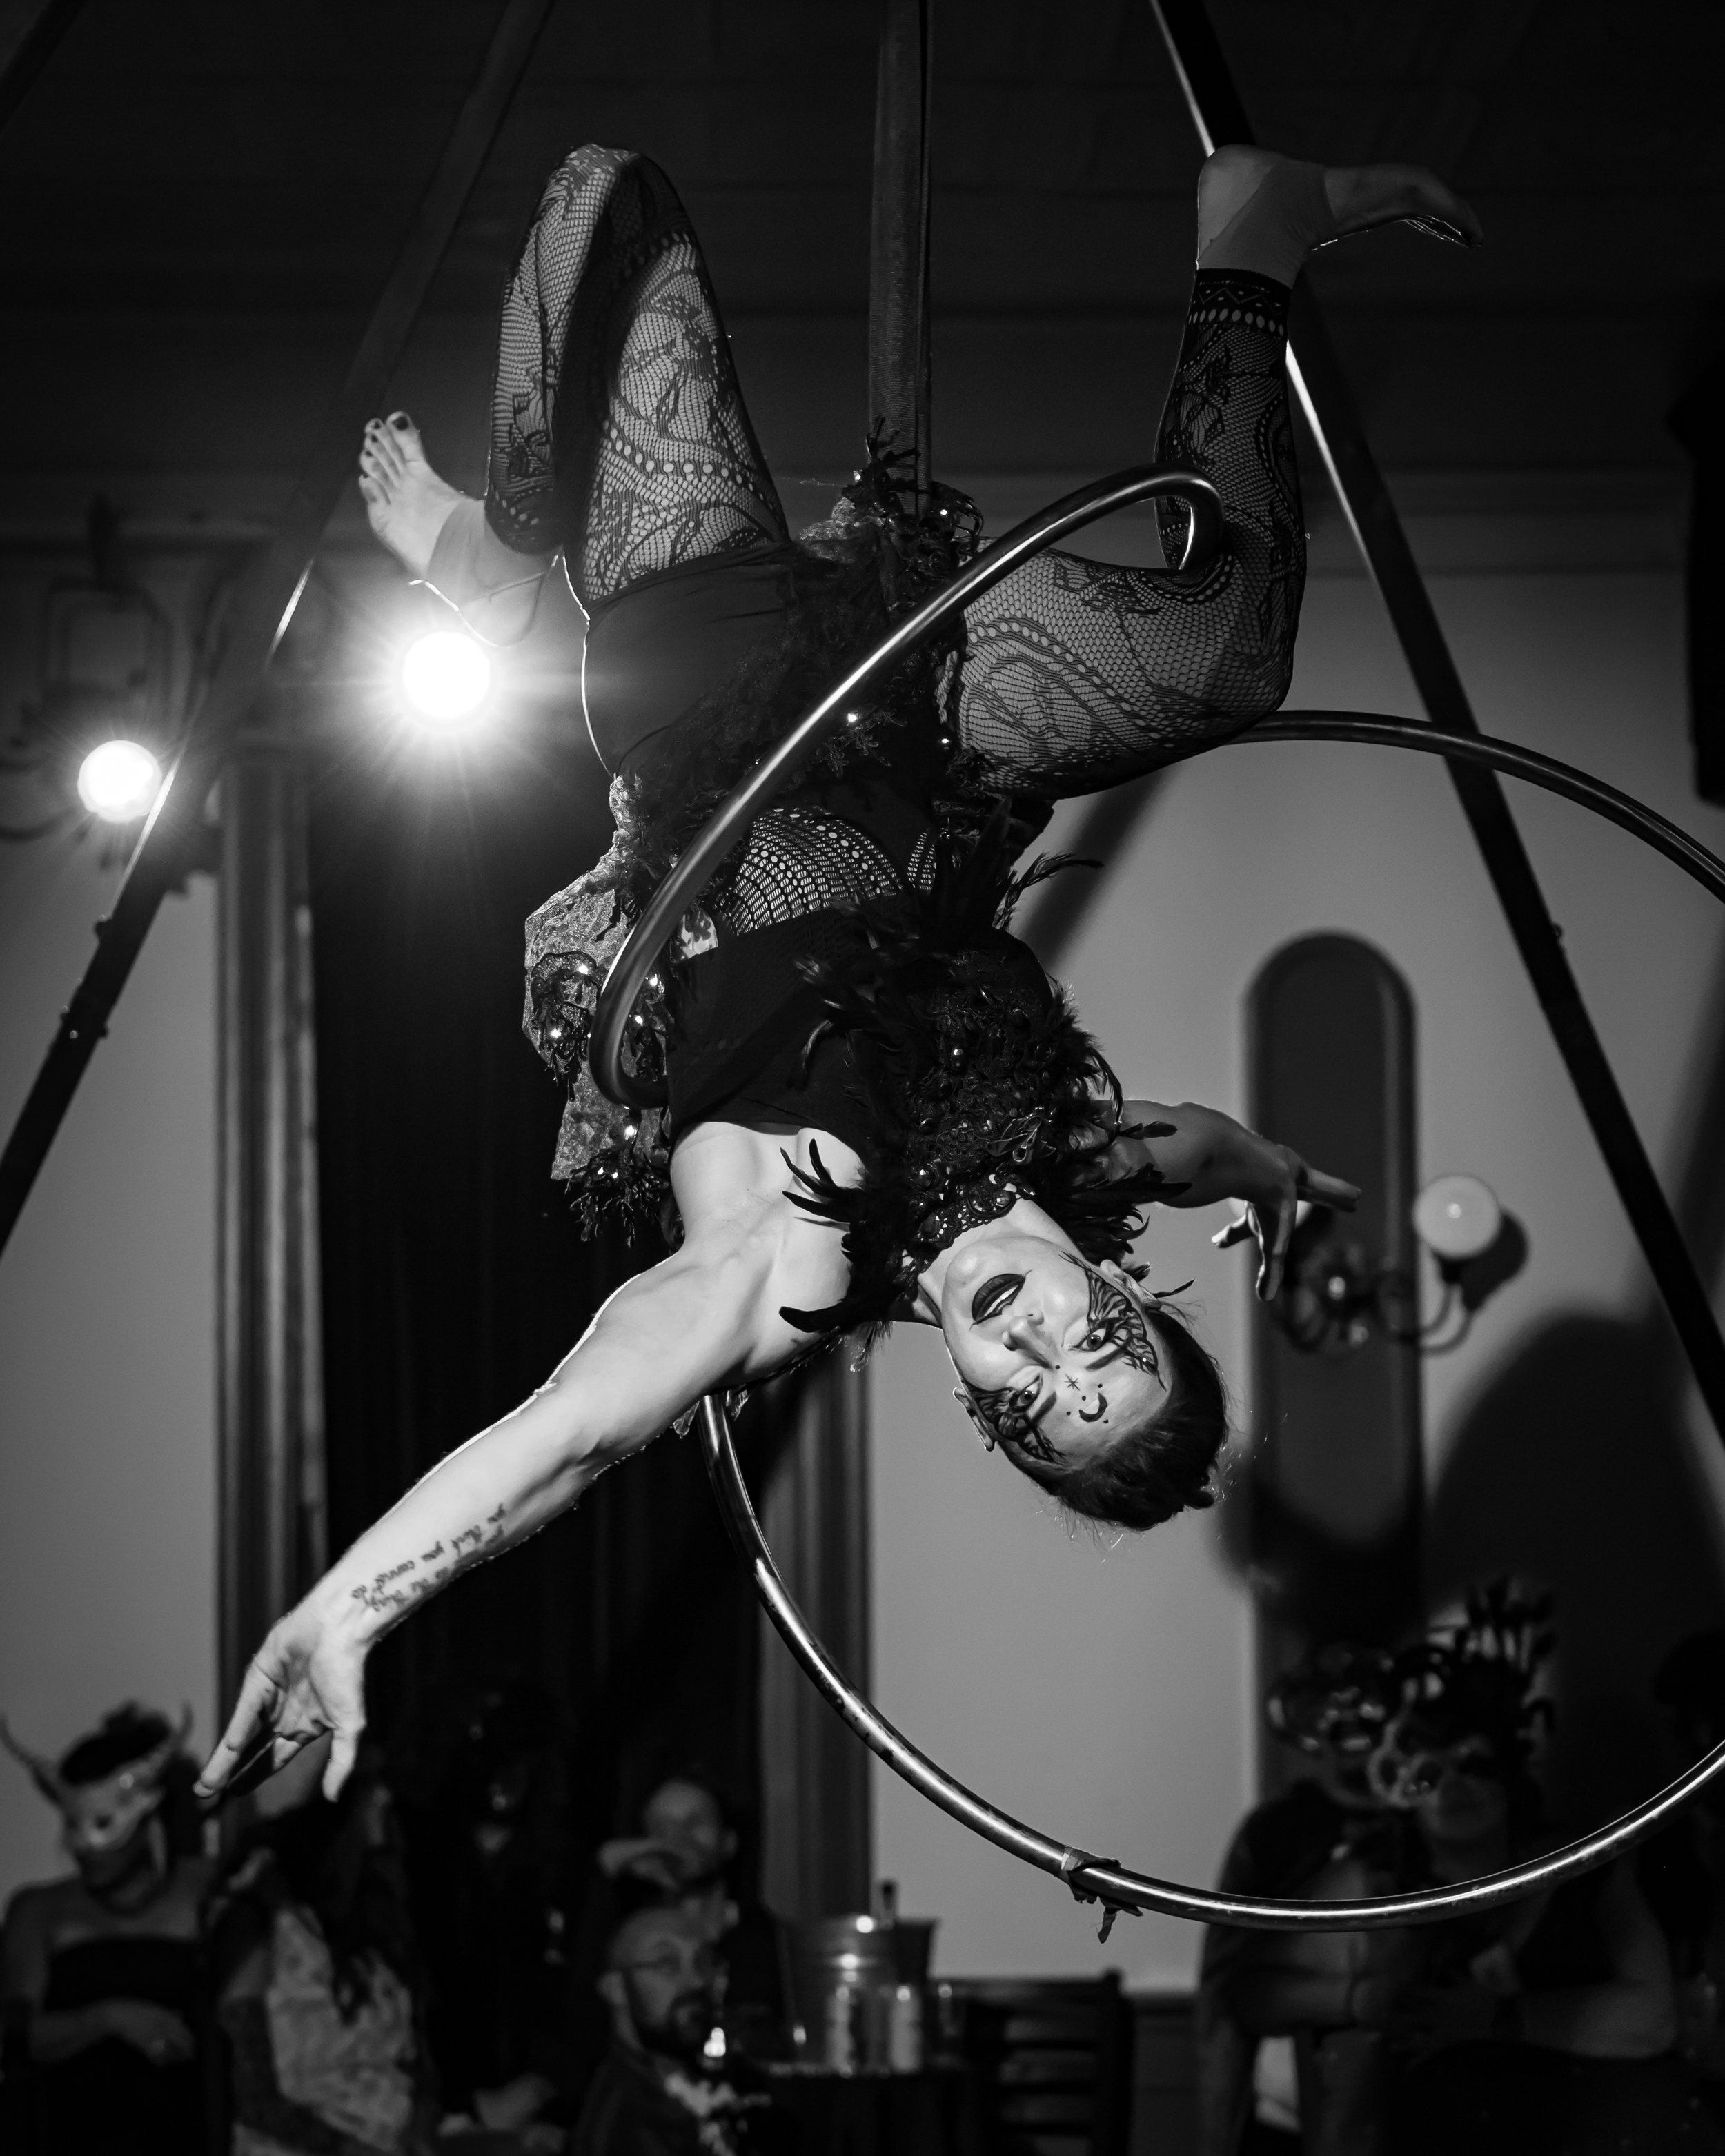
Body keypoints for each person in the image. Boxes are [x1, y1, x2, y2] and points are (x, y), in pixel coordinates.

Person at [198, 141, 1482, 1807]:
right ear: (1140, 1303)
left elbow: (578, 1428)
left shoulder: (795, 1256)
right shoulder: (1071, 1175)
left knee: (607, 199)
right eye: (1116, 1353)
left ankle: (511, 562)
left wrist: (354, 1599)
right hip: (920, 735)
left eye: (1042, 1411)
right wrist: (1274, 1163)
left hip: (709, 693)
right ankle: (1254, 234)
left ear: (984, 1415)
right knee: (1226, 655)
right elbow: (1182, 1147)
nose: (1055, 1357)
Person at [0, 1702, 215, 2155]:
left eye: (105, 1823)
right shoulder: (38, 1910)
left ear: (148, 1816)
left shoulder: (205, 1893)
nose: (84, 1847)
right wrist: (108, 2017)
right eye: (72, 1823)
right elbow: (16, 2037)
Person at [212, 1754, 441, 2155]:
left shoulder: (372, 1919)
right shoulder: (258, 1924)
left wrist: (419, 2127)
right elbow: (251, 2096)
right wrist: (348, 2150)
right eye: (372, 1795)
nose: (386, 1806)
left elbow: (413, 2059)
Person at [572, 1903, 784, 2156]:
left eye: (703, 1961)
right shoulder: (624, 2120)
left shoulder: (719, 2080)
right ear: (616, 1988)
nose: (696, 1980)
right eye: (666, 1963)